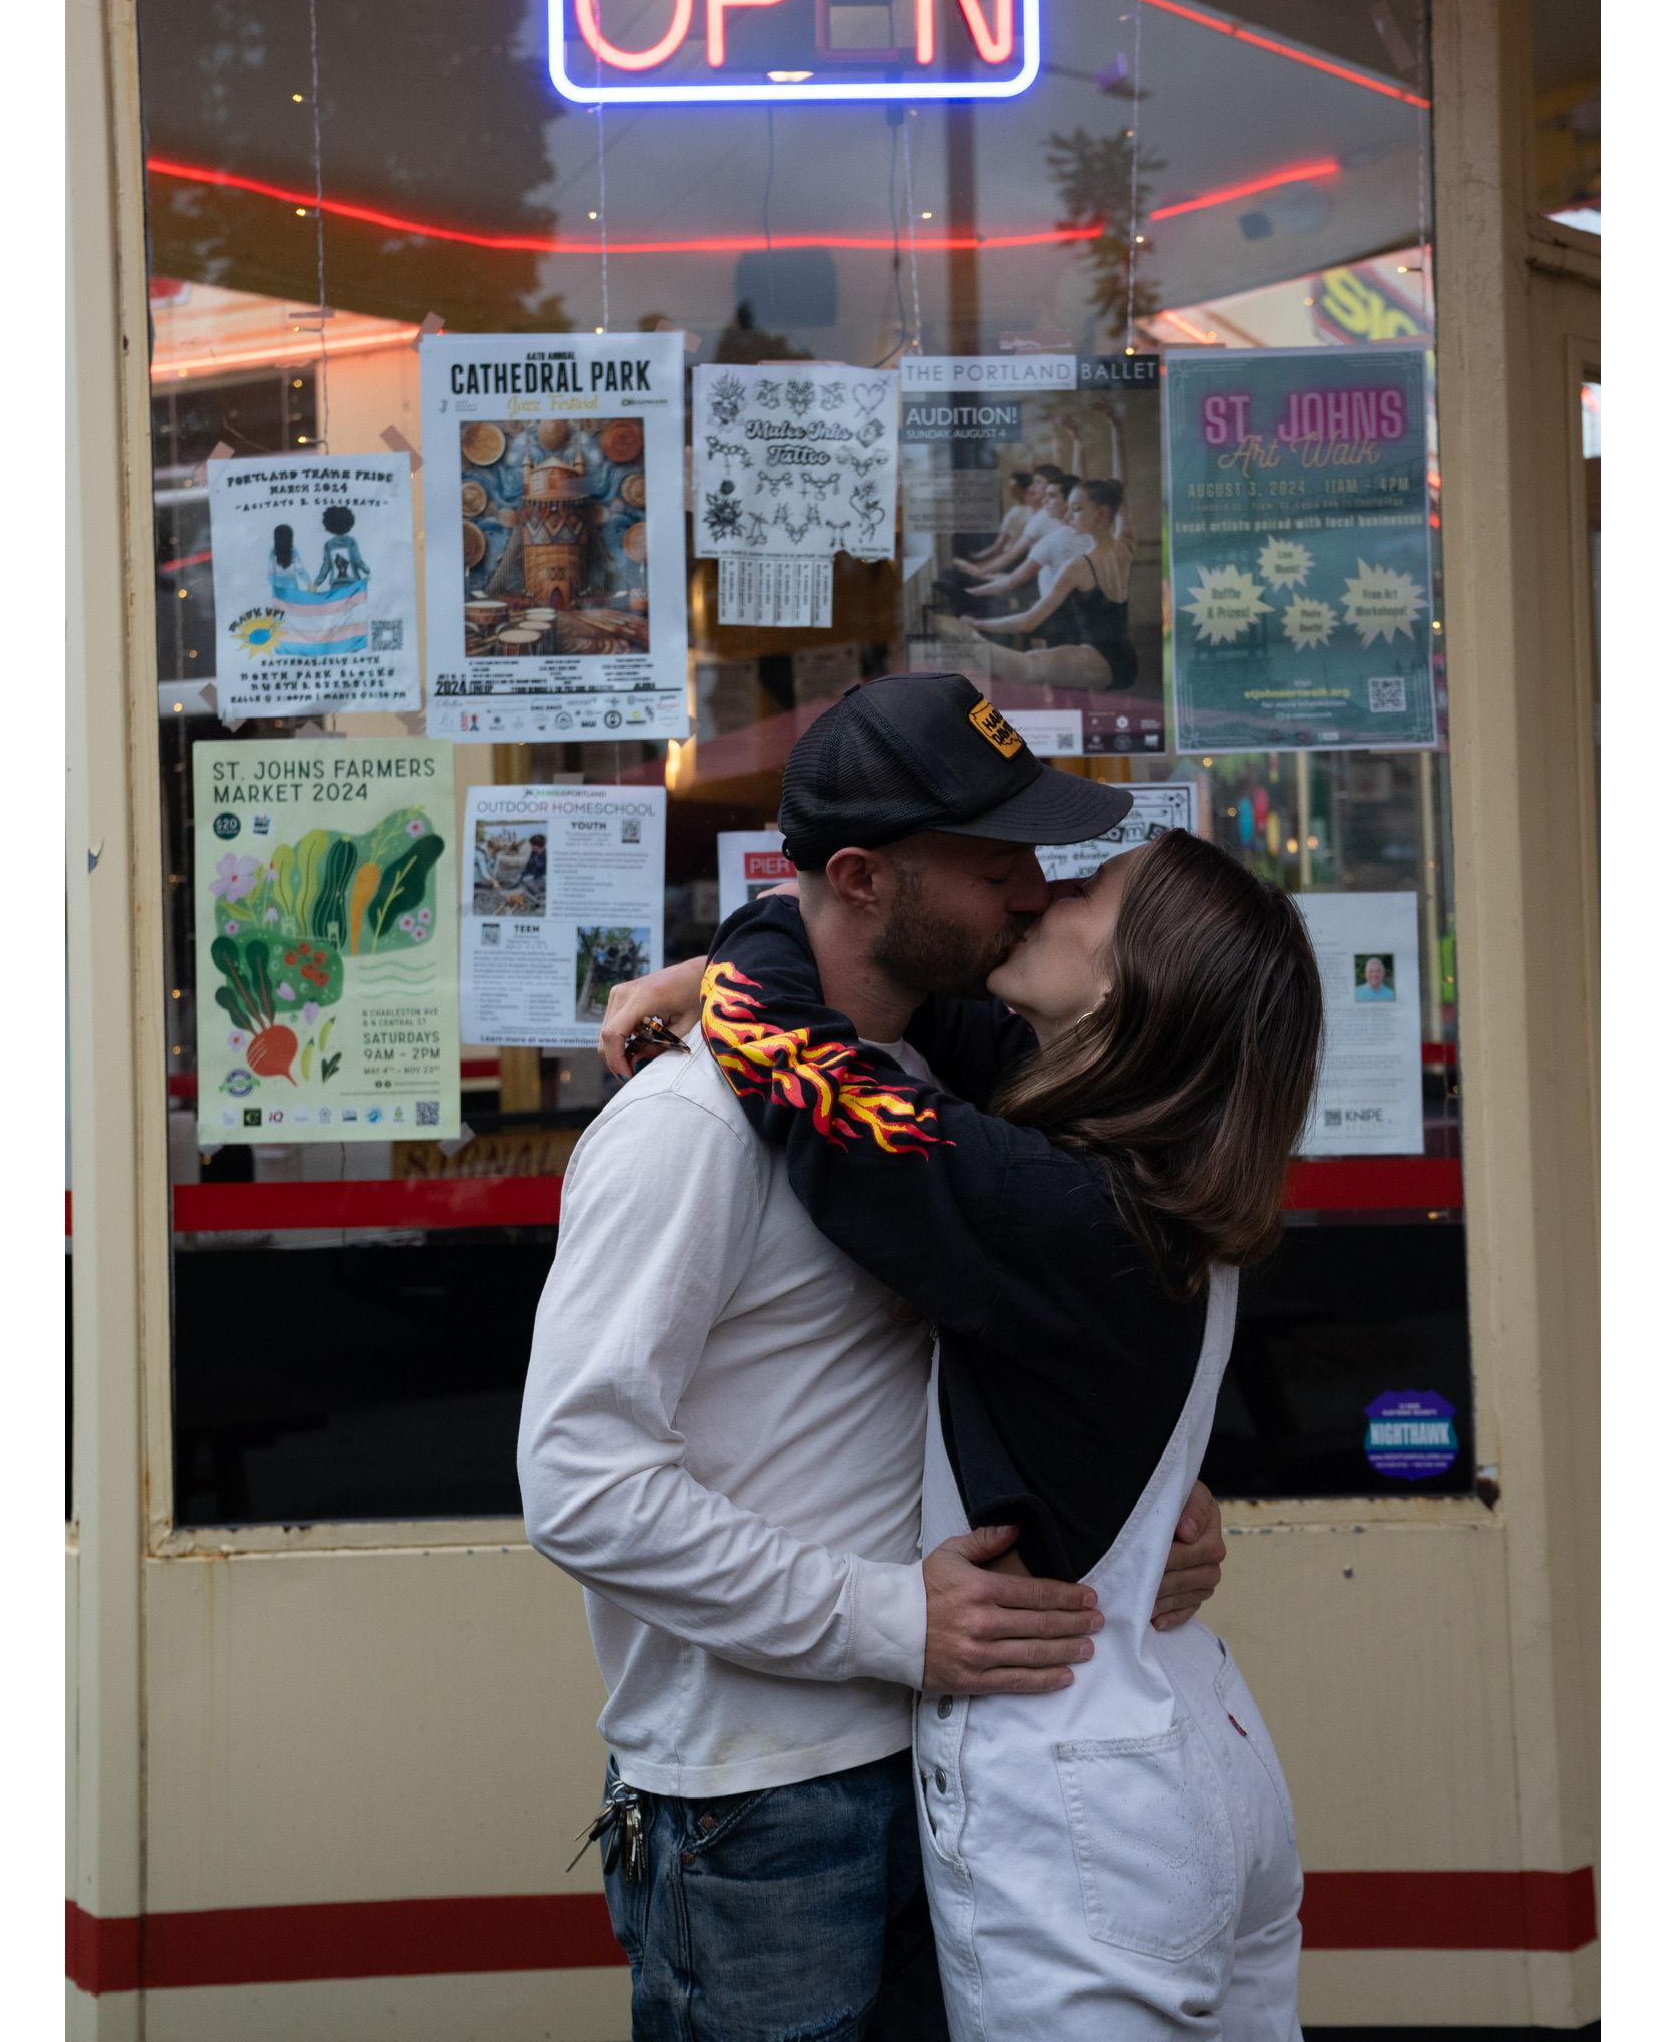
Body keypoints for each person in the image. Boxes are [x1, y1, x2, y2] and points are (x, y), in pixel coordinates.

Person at [519, 674, 1233, 2042]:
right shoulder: (692, 1125)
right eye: (994, 861)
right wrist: (891, 1621)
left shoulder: (946, 1085)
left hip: (957, 1759)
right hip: (765, 1800)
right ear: (861, 878)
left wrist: (1145, 1506)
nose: (1034, 888)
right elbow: (580, 1483)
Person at [930, 478, 1139, 693]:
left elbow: (1027, 623)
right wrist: (1118, 495)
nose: (1068, 517)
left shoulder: (1077, 566)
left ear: (1102, 513)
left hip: (1100, 659)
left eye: (1076, 509)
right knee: (1036, 666)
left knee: (1024, 668)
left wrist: (976, 624)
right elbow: (1123, 512)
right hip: (1126, 656)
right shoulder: (1125, 547)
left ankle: (959, 634)